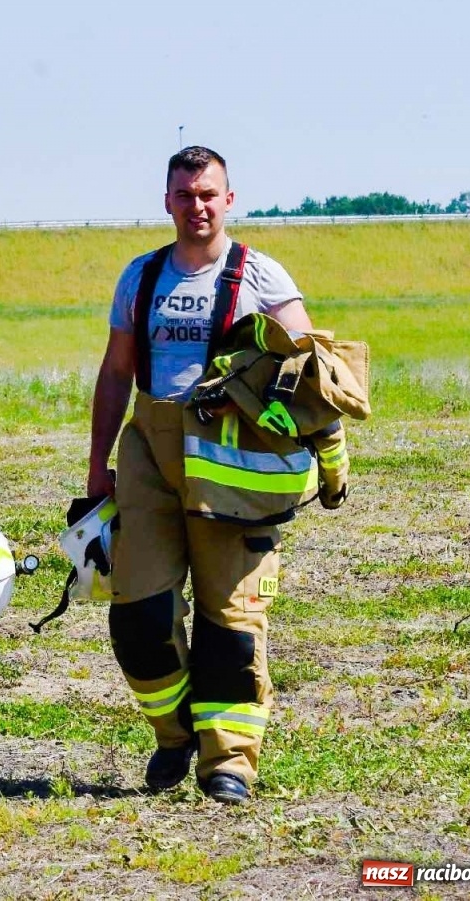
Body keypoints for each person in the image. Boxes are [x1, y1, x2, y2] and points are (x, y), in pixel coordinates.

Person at [87, 146, 311, 805]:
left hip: (231, 459)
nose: (198, 206)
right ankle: (174, 733)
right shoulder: (141, 276)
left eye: (209, 193)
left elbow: (308, 371)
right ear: (167, 202)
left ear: (230, 199)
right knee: (138, 615)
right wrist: (98, 465)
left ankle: (230, 763)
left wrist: (307, 444)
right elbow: (116, 373)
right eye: (185, 195)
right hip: (150, 456)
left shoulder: (262, 277)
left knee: (230, 622)